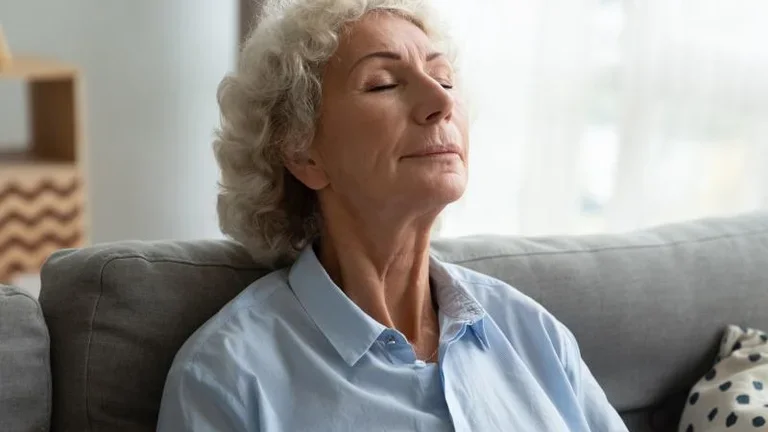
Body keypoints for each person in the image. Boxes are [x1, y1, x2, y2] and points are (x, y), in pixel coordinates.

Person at [157, 0, 629, 430]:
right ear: (303, 154)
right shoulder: (227, 378)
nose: (442, 102)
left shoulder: (535, 335)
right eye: (383, 83)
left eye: (445, 80)